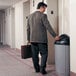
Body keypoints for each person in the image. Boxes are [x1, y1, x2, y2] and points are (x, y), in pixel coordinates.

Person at [27, 2, 59, 75]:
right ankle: (42, 69)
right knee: (44, 54)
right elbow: (48, 26)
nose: (45, 10)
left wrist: (28, 38)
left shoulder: (30, 16)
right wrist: (55, 36)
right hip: (41, 40)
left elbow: (28, 29)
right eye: (45, 8)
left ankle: (37, 69)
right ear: (41, 7)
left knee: (34, 55)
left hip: (32, 39)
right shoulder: (43, 16)